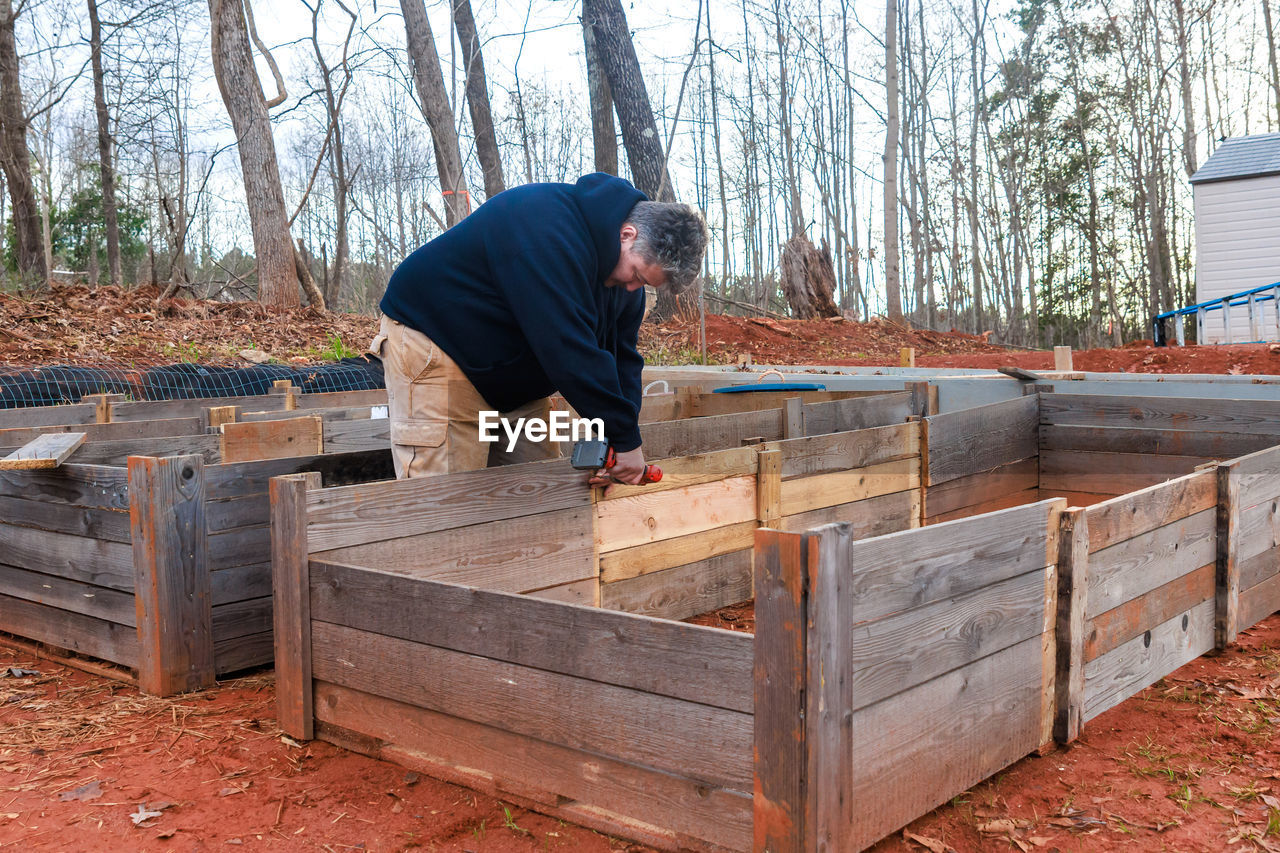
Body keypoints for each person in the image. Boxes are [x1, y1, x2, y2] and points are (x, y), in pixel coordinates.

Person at [370, 173, 707, 484]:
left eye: (645, 285)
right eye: (637, 275)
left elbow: (623, 361)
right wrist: (624, 439)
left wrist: (616, 445)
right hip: (439, 348)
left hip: (512, 380)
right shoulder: (545, 229)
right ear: (627, 235)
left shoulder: (624, 285)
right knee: (446, 504)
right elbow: (567, 349)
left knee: (545, 488)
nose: (634, 289)